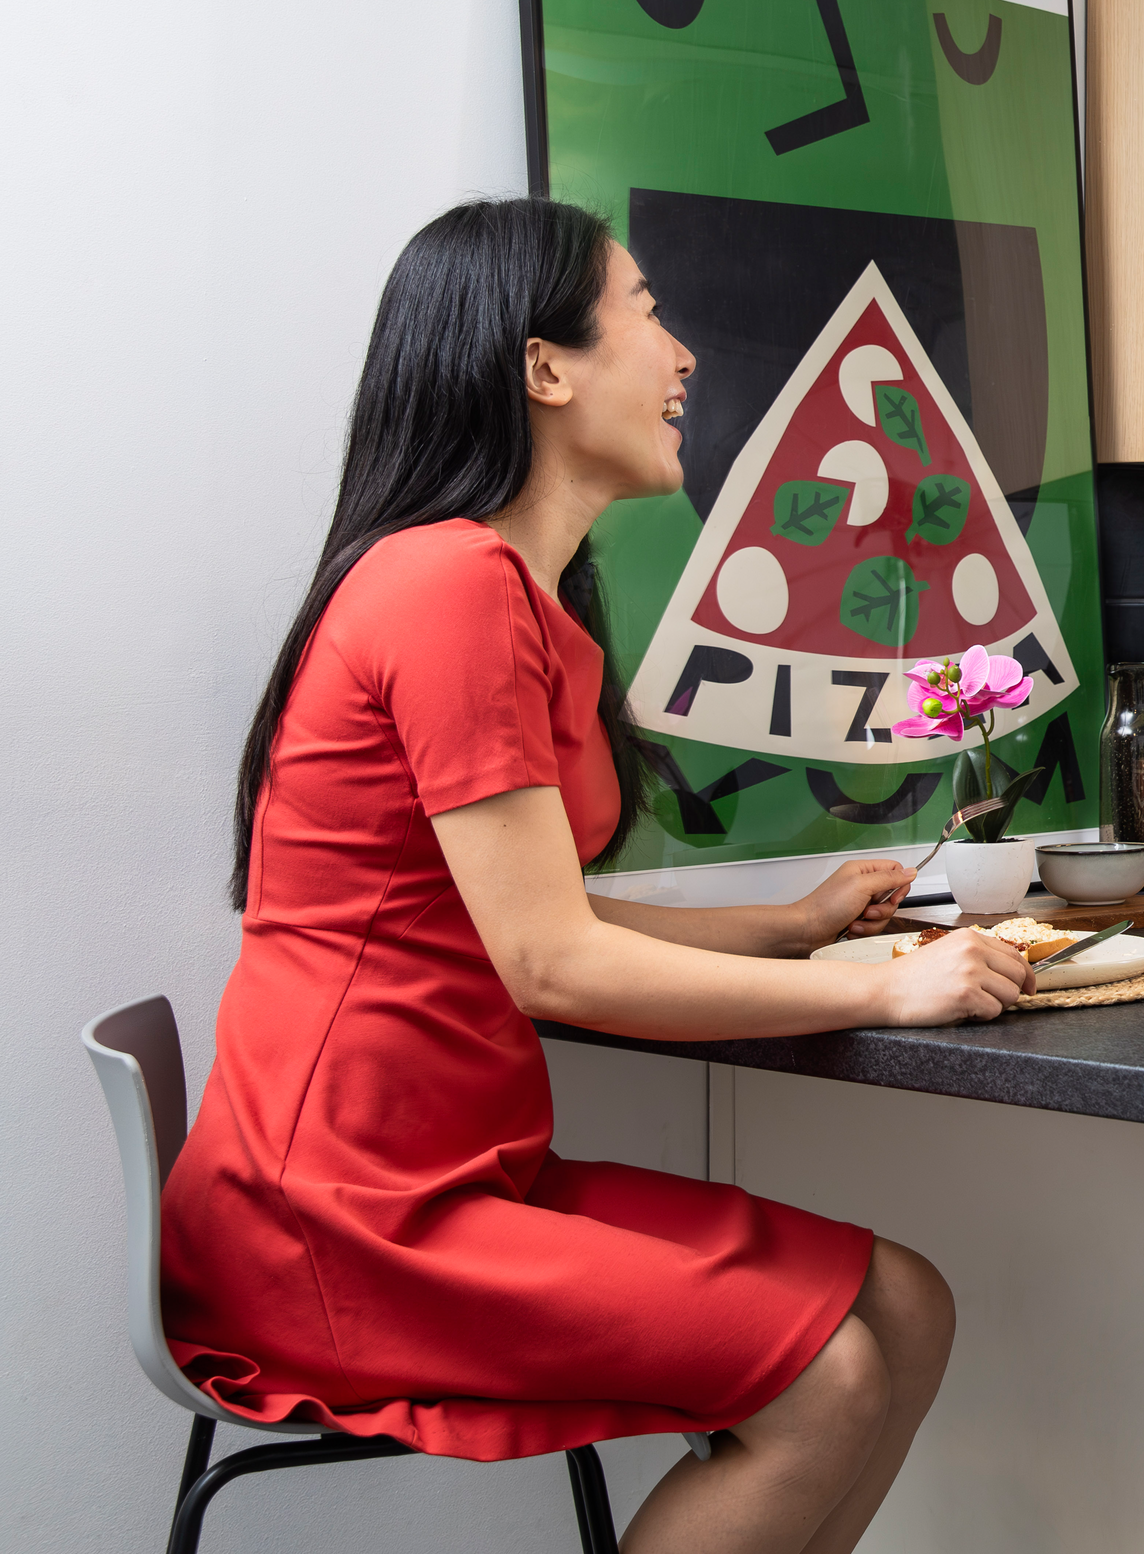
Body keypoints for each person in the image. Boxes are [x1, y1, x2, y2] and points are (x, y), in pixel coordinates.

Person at [164, 199, 1038, 1554]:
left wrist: (793, 925)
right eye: (645, 310)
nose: (682, 354)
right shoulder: (448, 589)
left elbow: (530, 915)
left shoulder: (519, 598)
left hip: (458, 1176)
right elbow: (550, 963)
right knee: (830, 1378)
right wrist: (884, 992)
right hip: (341, 1217)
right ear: (543, 365)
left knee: (905, 1308)